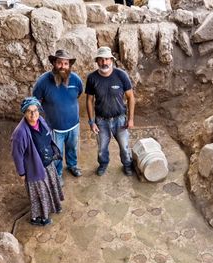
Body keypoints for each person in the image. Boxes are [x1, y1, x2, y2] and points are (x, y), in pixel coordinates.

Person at [11, 97, 64, 226]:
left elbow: (48, 136)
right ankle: (39, 218)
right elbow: (17, 154)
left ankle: (55, 206)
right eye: (29, 111)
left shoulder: (40, 120)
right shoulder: (20, 133)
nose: (33, 114)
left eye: (35, 110)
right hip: (35, 168)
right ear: (24, 113)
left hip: (47, 163)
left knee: (50, 187)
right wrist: (22, 173)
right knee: (40, 194)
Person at [32, 49, 84, 179]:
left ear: (69, 65)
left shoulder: (76, 80)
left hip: (74, 125)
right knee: (56, 153)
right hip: (55, 128)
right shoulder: (43, 82)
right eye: (59, 63)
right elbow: (35, 101)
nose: (62, 66)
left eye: (66, 64)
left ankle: (72, 165)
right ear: (54, 63)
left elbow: (78, 94)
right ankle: (58, 174)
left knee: (72, 148)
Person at [85, 46, 136, 177]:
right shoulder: (92, 78)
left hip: (120, 119)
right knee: (102, 148)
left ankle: (127, 165)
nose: (104, 63)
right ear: (97, 61)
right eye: (101, 60)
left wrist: (130, 119)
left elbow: (131, 97)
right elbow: (89, 100)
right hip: (101, 121)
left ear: (111, 60)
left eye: (107, 59)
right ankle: (103, 164)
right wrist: (92, 122)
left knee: (124, 147)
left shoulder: (121, 75)